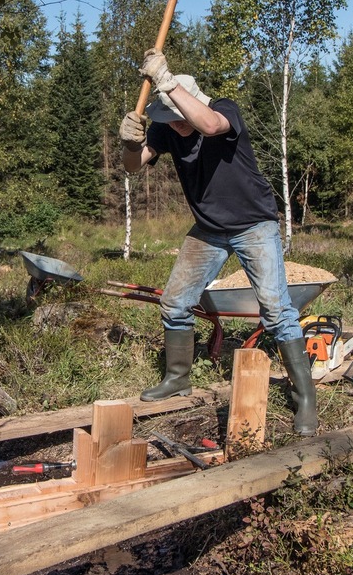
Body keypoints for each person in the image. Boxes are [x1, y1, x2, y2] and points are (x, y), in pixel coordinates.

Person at [119, 49, 317, 436]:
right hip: (208, 228)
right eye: (169, 120)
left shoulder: (225, 110)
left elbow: (209, 125)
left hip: (253, 224)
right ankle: (178, 378)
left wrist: (166, 80)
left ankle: (304, 399)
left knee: (276, 311)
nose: (174, 126)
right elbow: (131, 167)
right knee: (174, 302)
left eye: (178, 118)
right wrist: (129, 143)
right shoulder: (164, 128)